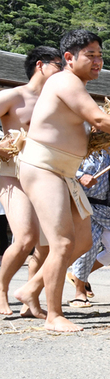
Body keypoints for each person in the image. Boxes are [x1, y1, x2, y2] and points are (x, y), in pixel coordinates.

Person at [14, 29, 110, 332]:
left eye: (100, 55)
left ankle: (30, 290)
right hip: (43, 167)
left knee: (82, 241)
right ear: (69, 58)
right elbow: (98, 119)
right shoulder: (65, 81)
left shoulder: (74, 85)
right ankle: (54, 316)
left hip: (63, 172)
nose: (98, 61)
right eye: (90, 55)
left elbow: (85, 129)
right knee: (63, 242)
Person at [0, 46, 61, 317]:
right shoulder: (14, 95)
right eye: (59, 65)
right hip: (11, 171)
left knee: (48, 244)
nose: (64, 71)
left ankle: (31, 299)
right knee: (26, 238)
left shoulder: (56, 101)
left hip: (45, 173)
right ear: (41, 65)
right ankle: (1, 292)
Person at [66, 149, 110, 306]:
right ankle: (79, 293)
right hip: (81, 203)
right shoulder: (79, 141)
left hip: (102, 207)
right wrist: (79, 176)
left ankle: (78, 277)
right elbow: (61, 165)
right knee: (87, 247)